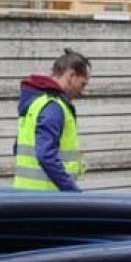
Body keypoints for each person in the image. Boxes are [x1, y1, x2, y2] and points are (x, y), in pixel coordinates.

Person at [14, 50, 92, 192]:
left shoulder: (35, 102)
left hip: (25, 193)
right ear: (71, 76)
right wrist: (72, 190)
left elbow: (17, 148)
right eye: (82, 84)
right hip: (47, 197)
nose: (82, 91)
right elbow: (45, 155)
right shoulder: (53, 107)